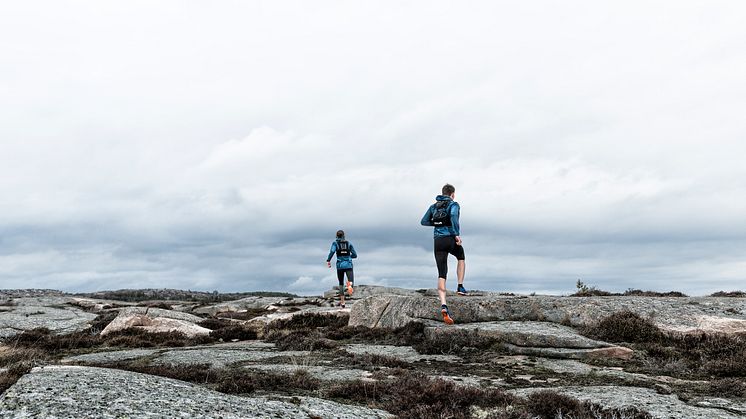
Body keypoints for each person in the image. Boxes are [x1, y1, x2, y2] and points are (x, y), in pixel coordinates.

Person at [420, 183, 468, 324]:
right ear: (452, 194)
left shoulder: (434, 206)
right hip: (450, 238)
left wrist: (437, 223)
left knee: (442, 273)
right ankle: (460, 286)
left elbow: (423, 221)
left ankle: (444, 305)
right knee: (461, 256)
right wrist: (456, 234)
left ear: (442, 193)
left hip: (438, 241)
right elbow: (453, 216)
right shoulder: (454, 204)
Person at [326, 230, 357, 308]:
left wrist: (328, 260)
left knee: (341, 283)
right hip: (348, 265)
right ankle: (349, 290)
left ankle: (342, 302)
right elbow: (355, 255)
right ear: (344, 236)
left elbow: (332, 252)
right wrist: (349, 256)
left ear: (336, 236)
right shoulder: (349, 243)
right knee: (350, 282)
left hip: (339, 266)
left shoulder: (335, 243)